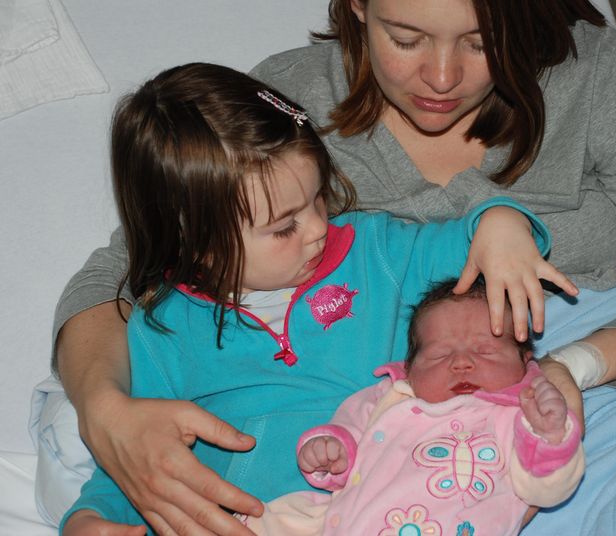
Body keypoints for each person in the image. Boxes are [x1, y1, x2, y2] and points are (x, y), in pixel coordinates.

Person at [47, 0, 616, 534]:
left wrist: (571, 365)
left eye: (482, 41)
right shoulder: (287, 106)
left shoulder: (597, 79)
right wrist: (105, 413)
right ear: (357, 8)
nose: (443, 76)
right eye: (406, 37)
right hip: (397, 438)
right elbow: (124, 275)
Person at [57, 62, 573, 535]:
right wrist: (89, 518)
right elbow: (135, 458)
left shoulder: (378, 253)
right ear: (197, 244)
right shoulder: (164, 331)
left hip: (400, 510)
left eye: (317, 197)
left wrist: (503, 222)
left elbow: (477, 244)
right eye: (284, 227)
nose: (318, 229)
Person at [236, 278, 584, 535]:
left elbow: (546, 490)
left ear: (525, 361)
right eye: (439, 355)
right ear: (409, 367)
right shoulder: (393, 395)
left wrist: (550, 436)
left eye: (486, 351)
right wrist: (332, 448)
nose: (461, 363)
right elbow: (348, 427)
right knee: (274, 518)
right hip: (344, 520)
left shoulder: (521, 415)